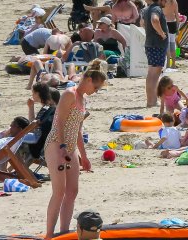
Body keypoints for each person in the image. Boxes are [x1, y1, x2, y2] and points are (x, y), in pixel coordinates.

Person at [44, 60, 107, 240]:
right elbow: (60, 122)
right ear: (87, 79)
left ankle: (63, 233)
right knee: (59, 192)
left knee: (72, 191)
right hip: (56, 143)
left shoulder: (83, 98)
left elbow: (78, 129)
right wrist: (63, 148)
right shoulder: (69, 94)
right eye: (96, 87)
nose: (96, 91)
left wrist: (84, 156)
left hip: (70, 146)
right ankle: (49, 235)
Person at [143, 0, 169, 108]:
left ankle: (151, 100)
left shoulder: (148, 8)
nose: (166, 2)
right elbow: (155, 20)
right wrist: (162, 33)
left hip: (150, 43)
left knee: (151, 73)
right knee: (155, 74)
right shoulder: (156, 9)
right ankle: (152, 101)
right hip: (157, 44)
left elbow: (142, 22)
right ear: (160, 0)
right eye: (165, 0)